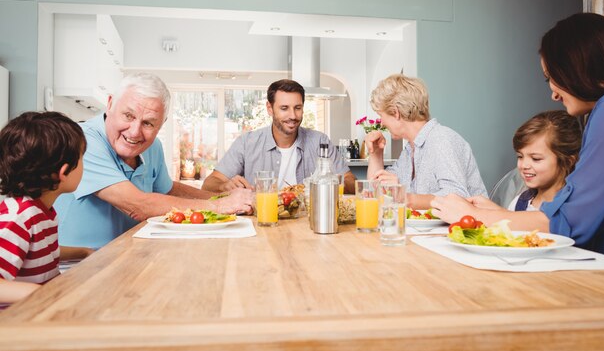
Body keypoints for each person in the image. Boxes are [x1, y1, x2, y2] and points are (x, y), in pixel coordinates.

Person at [432, 13, 604, 259]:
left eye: (551, 78)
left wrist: (472, 216)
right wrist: (504, 216)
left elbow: (570, 225)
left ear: (577, 67)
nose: (553, 94)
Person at [55, 73, 254, 249]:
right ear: (110, 104)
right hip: (79, 265)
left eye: (148, 123)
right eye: (128, 115)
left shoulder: (153, 146)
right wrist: (221, 206)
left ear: (162, 124)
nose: (134, 132)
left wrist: (221, 198)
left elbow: (167, 190)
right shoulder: (83, 141)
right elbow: (137, 205)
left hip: (128, 255)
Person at [0, 112, 92, 306]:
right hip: (17, 325)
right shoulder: (18, 217)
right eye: (82, 158)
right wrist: (44, 293)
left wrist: (83, 252)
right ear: (63, 172)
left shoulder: (40, 211)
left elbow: (39, 252)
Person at [202, 79, 356, 194]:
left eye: (298, 108)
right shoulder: (246, 143)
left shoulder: (320, 141)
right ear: (270, 108)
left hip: (308, 222)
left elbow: (350, 181)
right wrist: (225, 186)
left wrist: (331, 181)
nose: (293, 116)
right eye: (284, 108)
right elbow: (209, 184)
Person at [364, 74, 487, 210]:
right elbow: (377, 191)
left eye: (381, 116)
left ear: (396, 112)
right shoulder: (409, 150)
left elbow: (458, 196)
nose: (381, 123)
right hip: (431, 230)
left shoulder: (441, 139)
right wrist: (375, 153)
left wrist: (406, 197)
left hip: (470, 229)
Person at [508, 110, 581, 211]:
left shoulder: (577, 209)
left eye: (535, 159)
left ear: (567, 162)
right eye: (520, 156)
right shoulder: (518, 204)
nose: (524, 165)